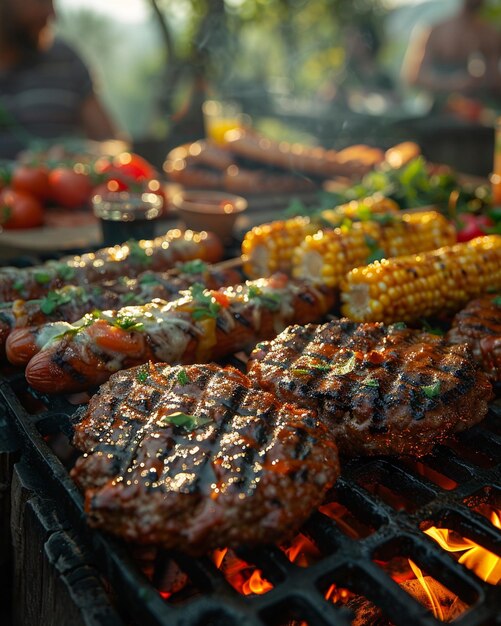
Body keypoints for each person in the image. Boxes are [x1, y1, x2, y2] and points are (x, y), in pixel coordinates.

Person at [0, 0, 118, 159]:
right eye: (41, 2)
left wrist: (80, 155)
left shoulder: (66, 60)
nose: (52, 14)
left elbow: (115, 145)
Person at [401, 0, 501, 104]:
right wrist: (451, 84)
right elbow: (414, 77)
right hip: (440, 107)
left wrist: (483, 80)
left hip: (478, 107)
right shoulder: (436, 30)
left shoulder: (490, 34)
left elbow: (496, 82)